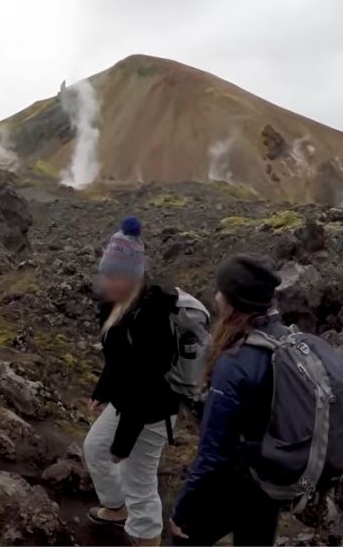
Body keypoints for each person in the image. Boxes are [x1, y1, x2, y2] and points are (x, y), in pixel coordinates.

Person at [170, 255, 286, 546]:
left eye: (221, 291)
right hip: (270, 483)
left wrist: (182, 510)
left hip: (233, 482)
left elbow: (212, 454)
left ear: (233, 303)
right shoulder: (285, 341)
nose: (216, 296)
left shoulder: (235, 364)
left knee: (183, 541)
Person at [83, 217, 179, 547]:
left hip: (153, 410)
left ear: (131, 277)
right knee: (95, 448)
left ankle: (145, 538)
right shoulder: (114, 304)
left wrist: (122, 445)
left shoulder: (153, 315)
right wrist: (103, 391)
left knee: (138, 482)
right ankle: (115, 508)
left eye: (112, 275)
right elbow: (119, 360)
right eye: (104, 272)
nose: (104, 281)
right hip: (127, 399)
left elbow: (147, 382)